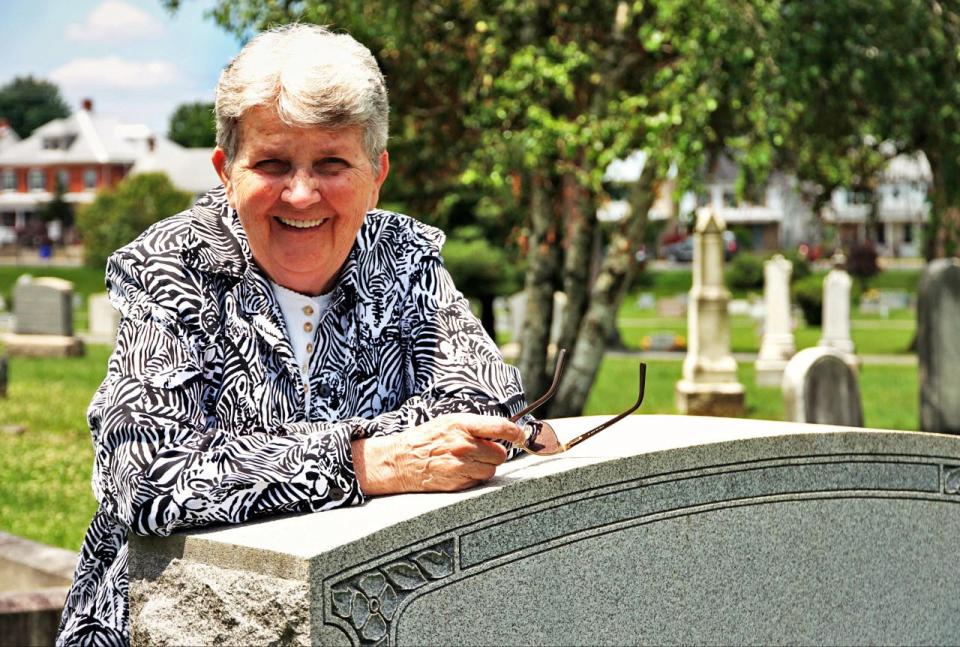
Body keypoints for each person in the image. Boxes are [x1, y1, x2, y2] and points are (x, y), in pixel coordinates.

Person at [57, 24, 533, 646]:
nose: (302, 193)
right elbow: (143, 476)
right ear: (227, 170)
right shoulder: (172, 263)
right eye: (273, 163)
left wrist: (245, 458)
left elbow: (490, 411)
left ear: (377, 171)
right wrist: (368, 462)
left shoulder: (406, 256)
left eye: (332, 163)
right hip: (175, 618)